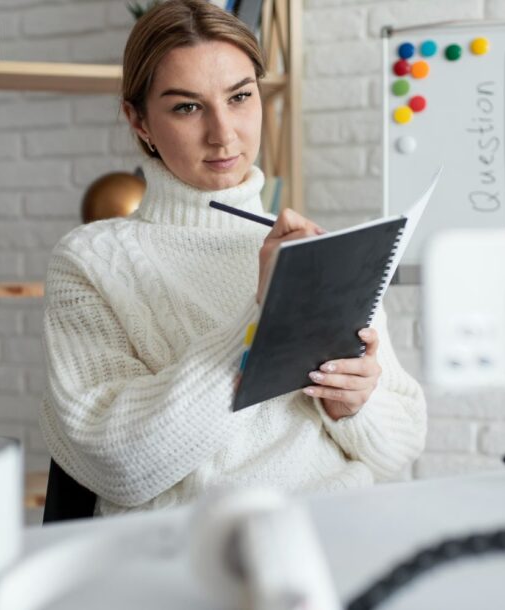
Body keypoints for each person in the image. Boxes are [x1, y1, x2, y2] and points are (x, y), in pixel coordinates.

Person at [40, 0, 427, 516]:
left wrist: (352, 404)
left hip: (336, 528)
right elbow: (119, 465)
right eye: (186, 107)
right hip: (192, 550)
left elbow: (402, 445)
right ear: (139, 121)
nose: (223, 133)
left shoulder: (310, 251)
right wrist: (262, 315)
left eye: (240, 97)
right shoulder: (90, 261)